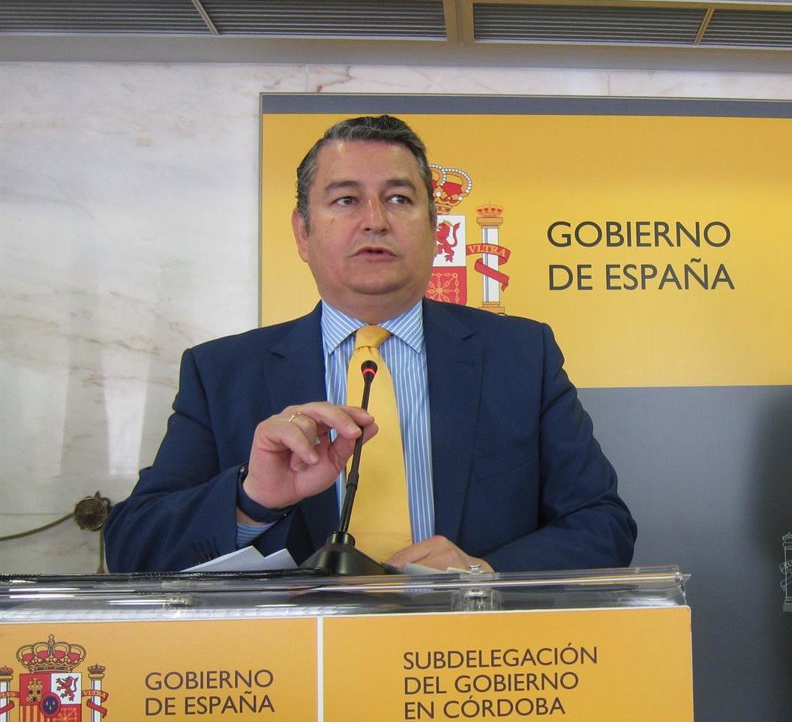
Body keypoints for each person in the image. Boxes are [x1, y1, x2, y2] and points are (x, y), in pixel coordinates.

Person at [105, 114, 636, 575]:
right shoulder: (221, 372)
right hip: (292, 656)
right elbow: (132, 547)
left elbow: (602, 524)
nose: (375, 221)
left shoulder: (521, 355)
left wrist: (482, 574)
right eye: (346, 199)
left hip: (468, 650)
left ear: (435, 229)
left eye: (399, 199)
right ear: (303, 234)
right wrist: (251, 500)